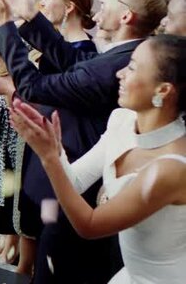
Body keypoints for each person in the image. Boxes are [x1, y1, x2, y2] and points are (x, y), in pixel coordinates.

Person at [0, 0, 171, 283]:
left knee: (54, 272)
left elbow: (33, 85)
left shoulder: (117, 67)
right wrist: (30, 17)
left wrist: (6, 25)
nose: (100, 0)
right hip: (75, 177)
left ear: (126, 14)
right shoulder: (126, 54)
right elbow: (72, 60)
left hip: (79, 192)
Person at [10, 34, 186, 284]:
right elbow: (77, 181)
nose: (120, 73)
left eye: (133, 67)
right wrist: (56, 150)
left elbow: (90, 225)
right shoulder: (122, 120)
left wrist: (49, 157)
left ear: (163, 90)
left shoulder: (173, 167)